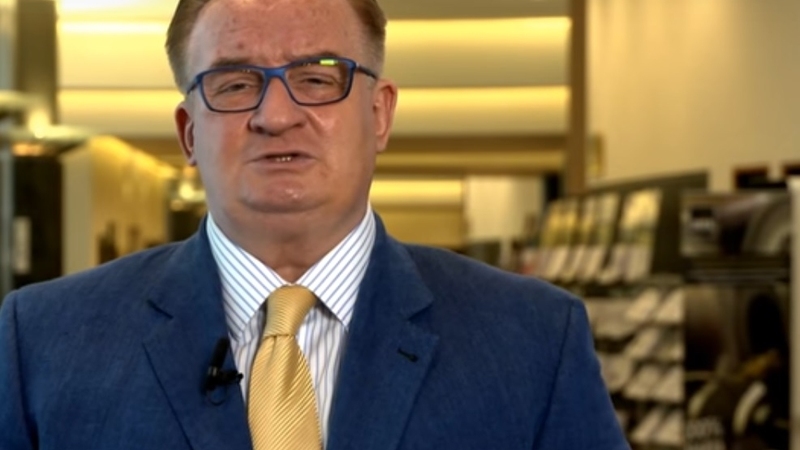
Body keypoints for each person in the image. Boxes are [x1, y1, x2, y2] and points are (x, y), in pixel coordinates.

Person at [0, 0, 630, 448]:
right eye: (235, 83)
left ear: (380, 115)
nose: (276, 115)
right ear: (189, 133)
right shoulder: (42, 341)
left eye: (317, 77)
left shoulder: (533, 340)